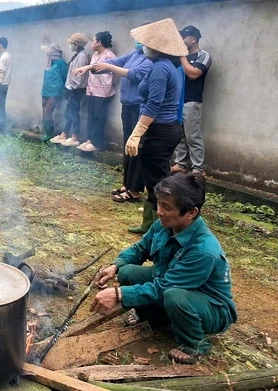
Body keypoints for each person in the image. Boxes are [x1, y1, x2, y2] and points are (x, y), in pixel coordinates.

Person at [91, 173, 237, 365]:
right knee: (127, 272)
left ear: (191, 212)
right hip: (171, 283)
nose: (159, 211)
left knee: (173, 295)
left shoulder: (204, 250)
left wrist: (119, 294)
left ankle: (195, 344)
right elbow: (140, 248)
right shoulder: (163, 224)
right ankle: (154, 318)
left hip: (210, 307)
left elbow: (164, 287)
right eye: (159, 204)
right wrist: (115, 266)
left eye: (167, 207)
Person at [122, 18, 186, 234]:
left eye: (146, 43)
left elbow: (154, 103)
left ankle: (161, 228)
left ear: (156, 47)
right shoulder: (166, 66)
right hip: (165, 129)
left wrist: (137, 133)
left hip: (159, 130)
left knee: (157, 182)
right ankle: (152, 225)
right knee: (157, 179)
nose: (144, 47)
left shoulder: (160, 68)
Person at [92, 30, 153, 202]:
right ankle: (127, 183)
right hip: (127, 105)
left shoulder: (150, 59)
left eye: (140, 40)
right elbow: (114, 61)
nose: (137, 42)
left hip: (139, 107)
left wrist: (109, 67)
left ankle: (134, 191)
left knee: (136, 147)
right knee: (128, 145)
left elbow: (134, 74)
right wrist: (90, 67)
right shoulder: (135, 53)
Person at [172, 26, 212, 175]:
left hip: (191, 101)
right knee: (179, 135)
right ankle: (180, 164)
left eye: (184, 37)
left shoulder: (203, 56)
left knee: (192, 136)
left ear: (193, 39)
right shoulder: (178, 57)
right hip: (177, 101)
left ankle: (197, 168)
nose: (181, 40)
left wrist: (182, 56)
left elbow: (193, 74)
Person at [72, 31, 116, 152]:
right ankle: (90, 139)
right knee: (91, 117)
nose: (92, 43)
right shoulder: (95, 55)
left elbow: (107, 71)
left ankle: (97, 143)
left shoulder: (109, 55)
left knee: (99, 118)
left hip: (103, 92)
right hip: (92, 90)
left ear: (99, 42)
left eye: (93, 41)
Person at [52, 33, 91, 147]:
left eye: (72, 43)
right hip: (72, 89)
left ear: (77, 44)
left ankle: (75, 136)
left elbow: (78, 76)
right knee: (68, 112)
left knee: (74, 113)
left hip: (76, 89)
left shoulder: (82, 56)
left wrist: (70, 88)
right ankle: (65, 133)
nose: (70, 45)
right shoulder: (77, 55)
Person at [40, 41, 68, 141]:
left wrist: (64, 91)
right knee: (44, 111)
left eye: (49, 52)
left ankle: (49, 134)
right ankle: (46, 131)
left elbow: (65, 77)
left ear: (54, 52)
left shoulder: (61, 63)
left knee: (48, 111)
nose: (47, 54)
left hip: (55, 92)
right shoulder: (49, 62)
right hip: (45, 91)